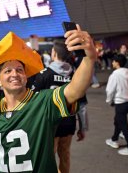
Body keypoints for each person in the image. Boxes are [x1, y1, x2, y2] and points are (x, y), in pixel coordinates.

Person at [0, 27, 97, 172]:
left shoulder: (43, 102)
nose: (15, 74)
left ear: (26, 77)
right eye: (8, 71)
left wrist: (89, 57)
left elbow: (75, 90)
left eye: (20, 70)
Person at [33, 39, 87, 173]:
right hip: (69, 122)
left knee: (48, 158)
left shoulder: (44, 75)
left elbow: (32, 103)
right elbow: (82, 105)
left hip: (50, 124)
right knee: (65, 155)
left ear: (54, 53)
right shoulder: (75, 75)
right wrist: (83, 127)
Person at [105, 54, 128, 156]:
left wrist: (109, 101)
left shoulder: (115, 75)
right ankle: (114, 139)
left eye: (113, 61)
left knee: (123, 125)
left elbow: (110, 90)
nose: (112, 62)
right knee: (118, 121)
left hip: (120, 103)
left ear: (117, 62)